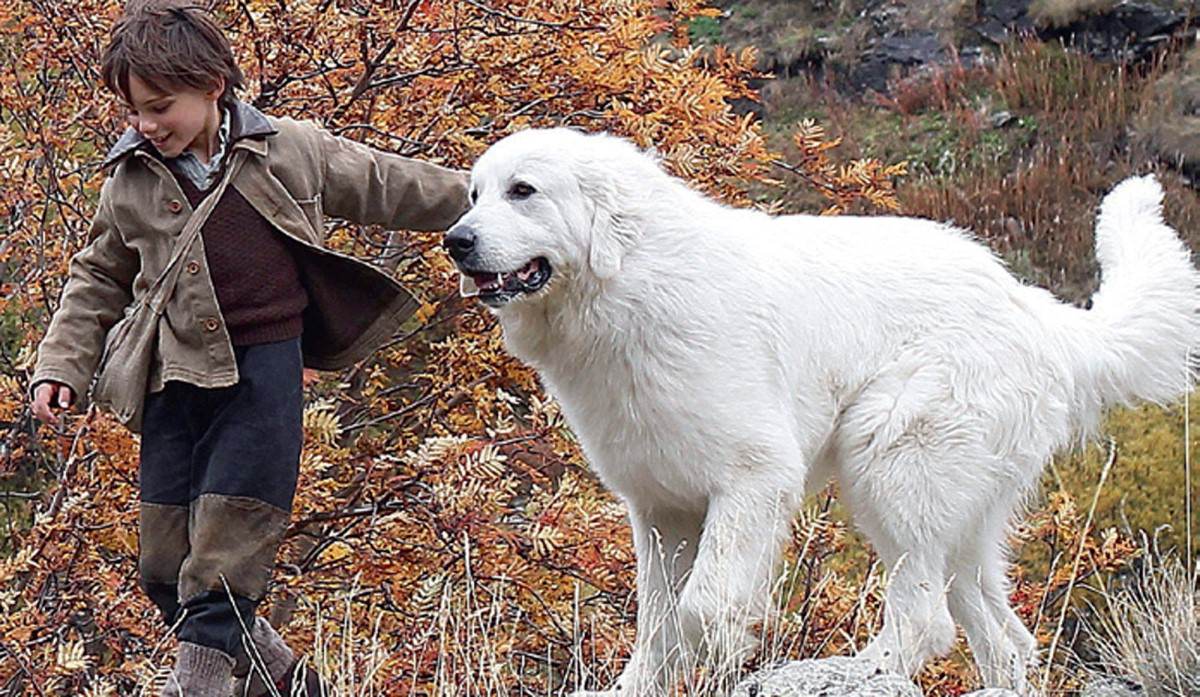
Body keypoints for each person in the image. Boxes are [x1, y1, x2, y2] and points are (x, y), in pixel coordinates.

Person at [28, 4, 469, 695]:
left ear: (212, 84)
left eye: (159, 107)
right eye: (134, 110)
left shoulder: (292, 149)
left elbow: (390, 185)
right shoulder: (130, 182)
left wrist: (494, 197)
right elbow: (97, 277)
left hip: (264, 374)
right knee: (163, 563)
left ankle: (195, 686)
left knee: (228, 548)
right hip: (170, 383)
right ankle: (286, 679)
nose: (144, 124)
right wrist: (61, 366)